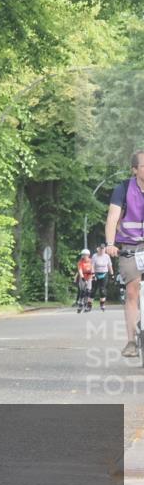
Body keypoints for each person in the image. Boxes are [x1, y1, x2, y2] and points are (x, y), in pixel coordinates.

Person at [105, 150, 144, 358]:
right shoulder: (123, 189)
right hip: (130, 246)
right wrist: (110, 244)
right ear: (135, 170)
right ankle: (131, 342)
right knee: (132, 291)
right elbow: (112, 218)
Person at [91, 243, 114, 311]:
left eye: (103, 249)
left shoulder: (107, 256)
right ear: (98, 249)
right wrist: (93, 274)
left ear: (105, 249)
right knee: (93, 290)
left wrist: (112, 275)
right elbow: (92, 266)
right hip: (96, 273)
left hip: (104, 274)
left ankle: (102, 304)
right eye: (101, 249)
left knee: (102, 290)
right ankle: (89, 305)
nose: (102, 250)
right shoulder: (95, 256)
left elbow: (109, 266)